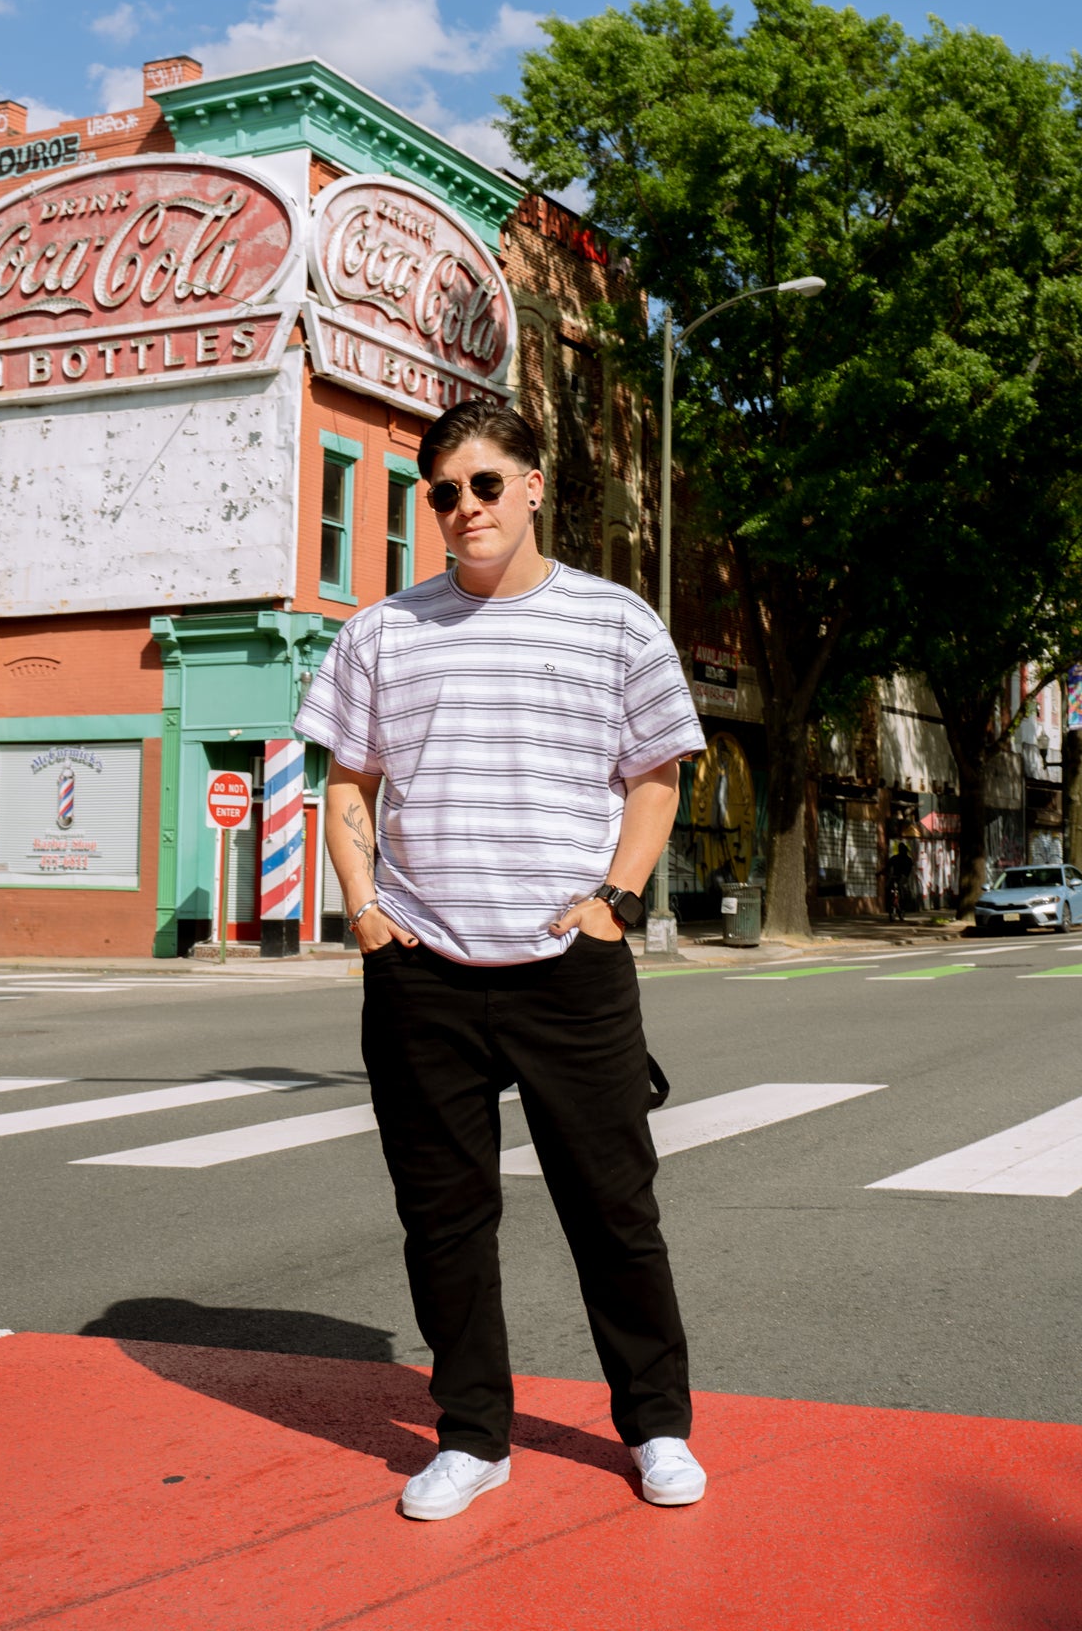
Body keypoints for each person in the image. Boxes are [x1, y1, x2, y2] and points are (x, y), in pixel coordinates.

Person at [295, 399, 708, 1522]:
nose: (463, 507)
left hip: (567, 968)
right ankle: (472, 1433)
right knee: (442, 1217)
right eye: (441, 492)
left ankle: (657, 1424)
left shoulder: (616, 621)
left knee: (613, 1209)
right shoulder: (381, 632)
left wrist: (615, 901)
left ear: (532, 484)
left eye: (483, 484)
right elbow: (347, 784)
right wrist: (366, 914)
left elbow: (656, 774)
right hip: (422, 967)